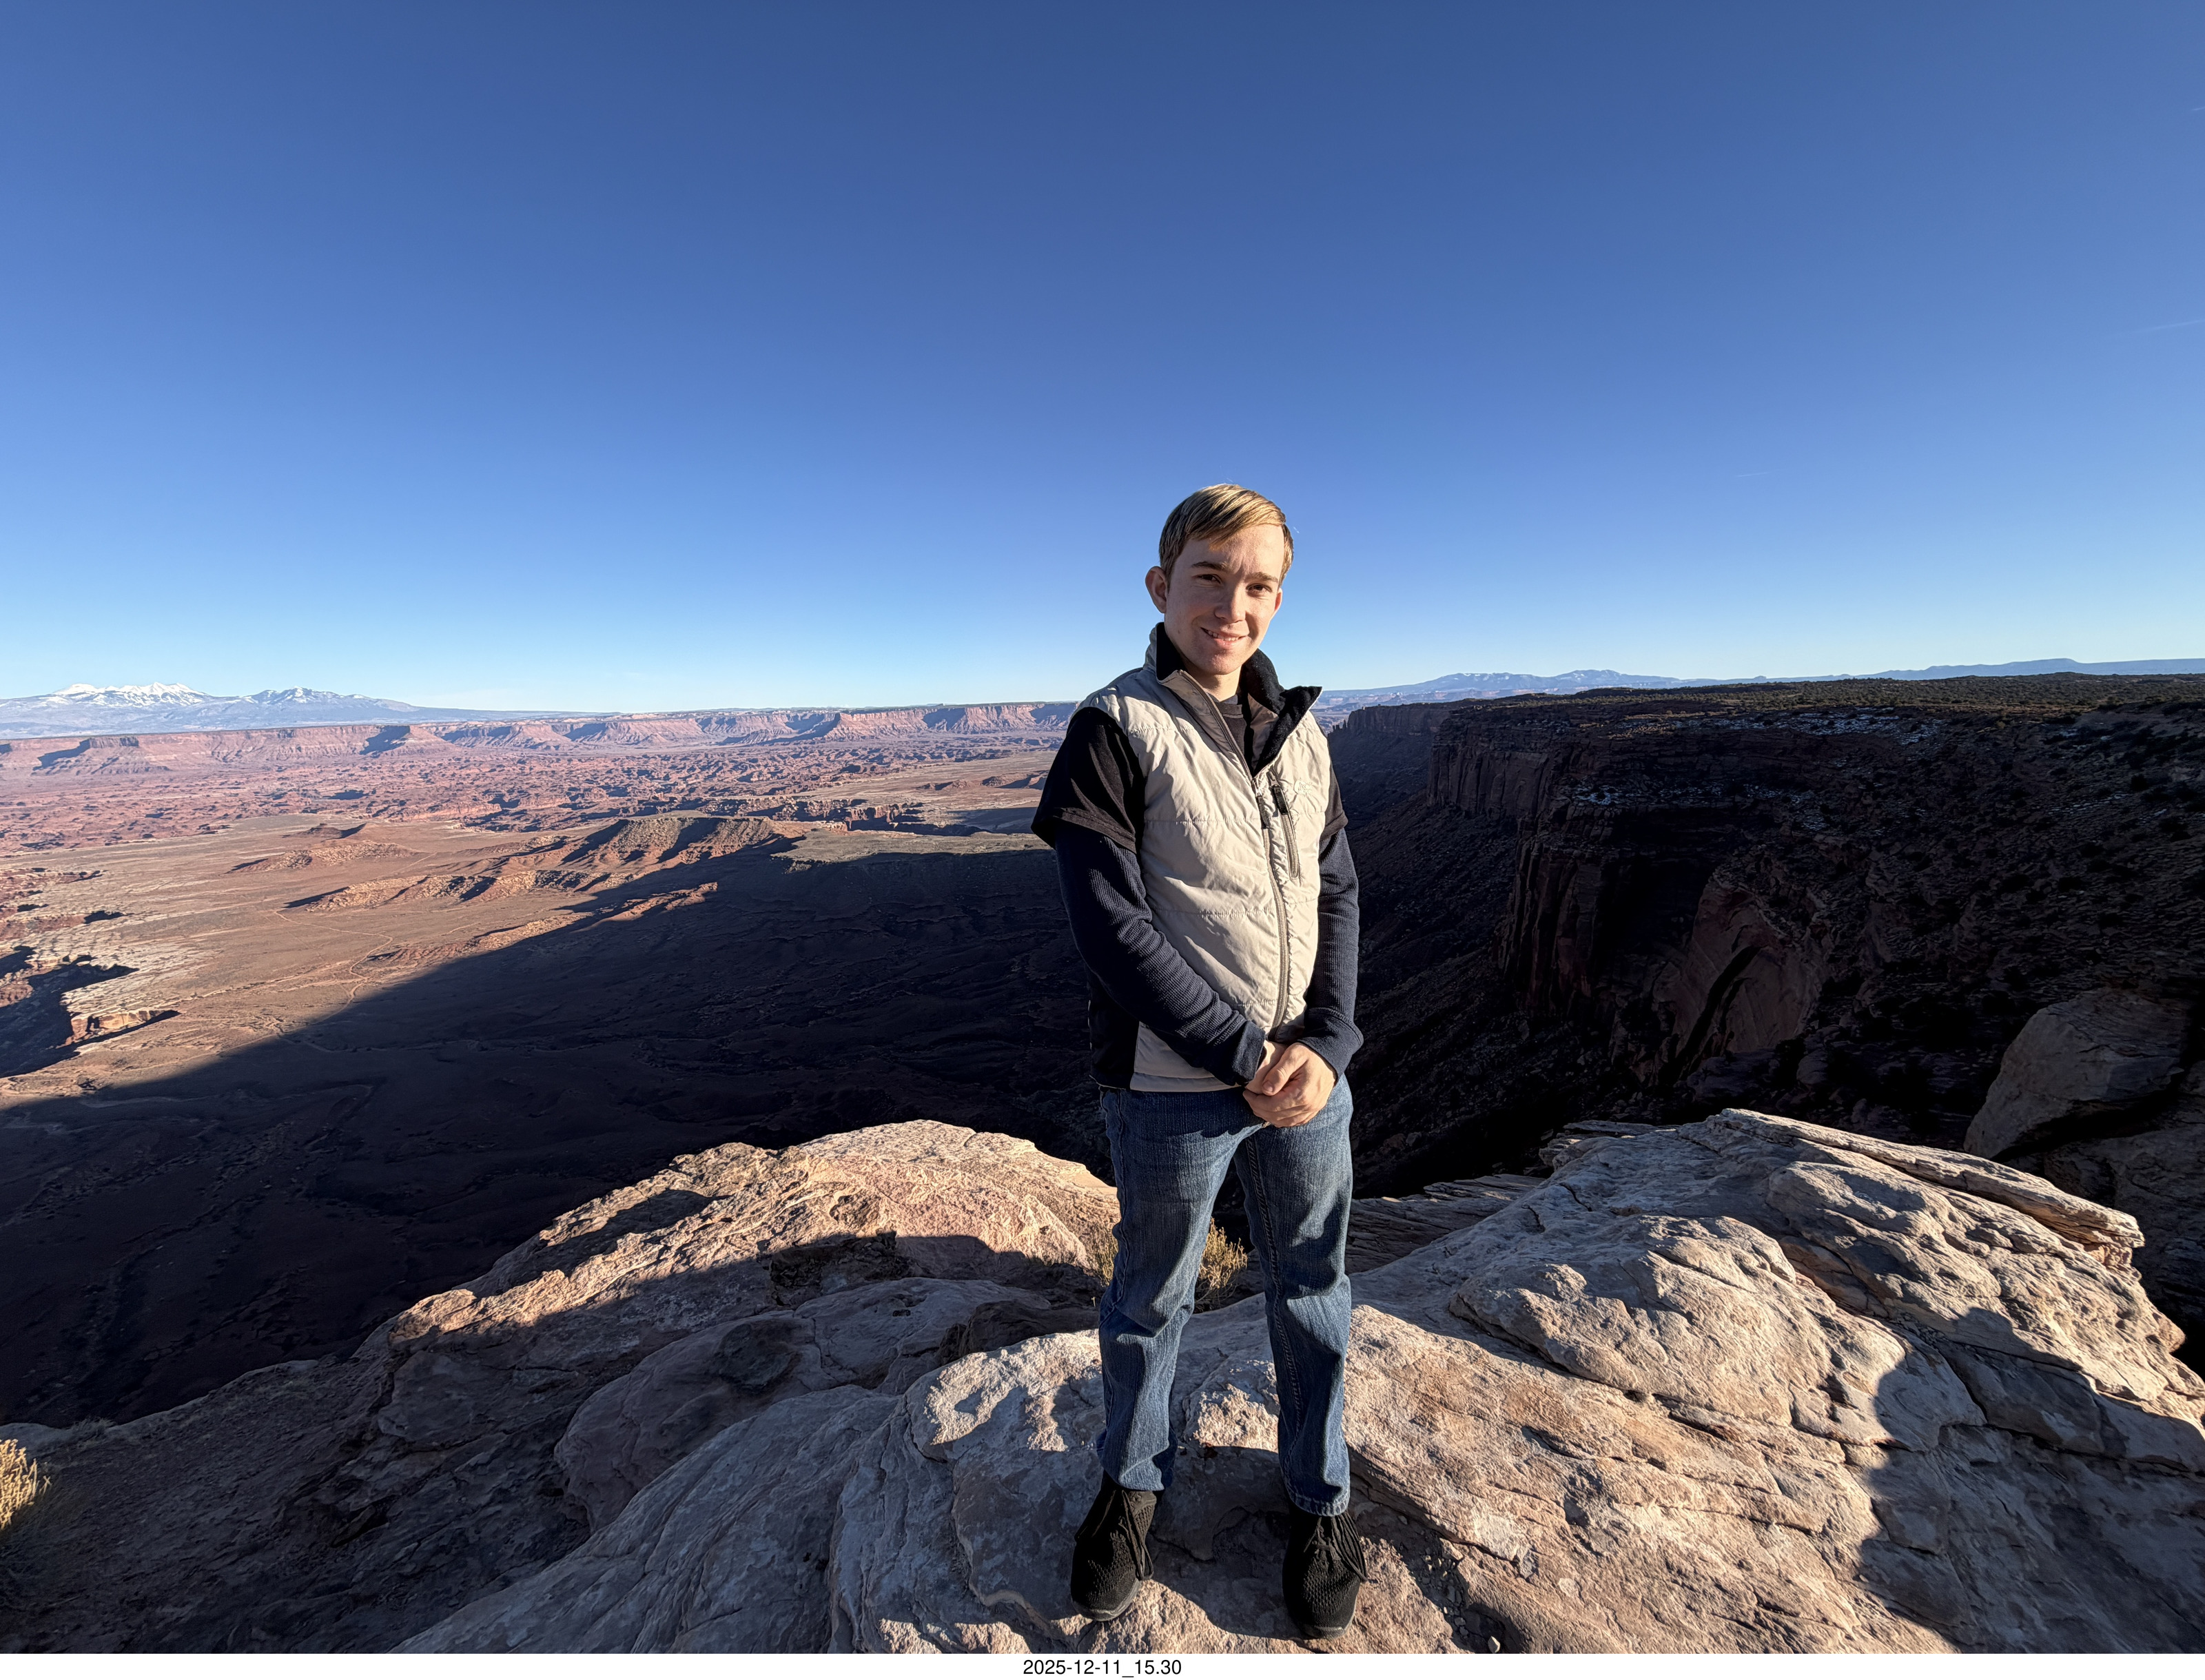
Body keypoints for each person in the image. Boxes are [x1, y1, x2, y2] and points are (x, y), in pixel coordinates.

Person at [1030, 484, 1365, 1640]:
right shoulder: (1114, 727)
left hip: (1306, 1085)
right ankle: (1132, 1485)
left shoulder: (1304, 734)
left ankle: (1320, 1496)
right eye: (1210, 577)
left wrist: (1328, 1041)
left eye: (1258, 583)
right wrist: (1242, 1049)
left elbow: (1338, 889)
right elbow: (1110, 926)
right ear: (1160, 586)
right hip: (1171, 1088)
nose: (1233, 604)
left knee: (1313, 1288)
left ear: (1280, 598)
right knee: (1152, 1293)